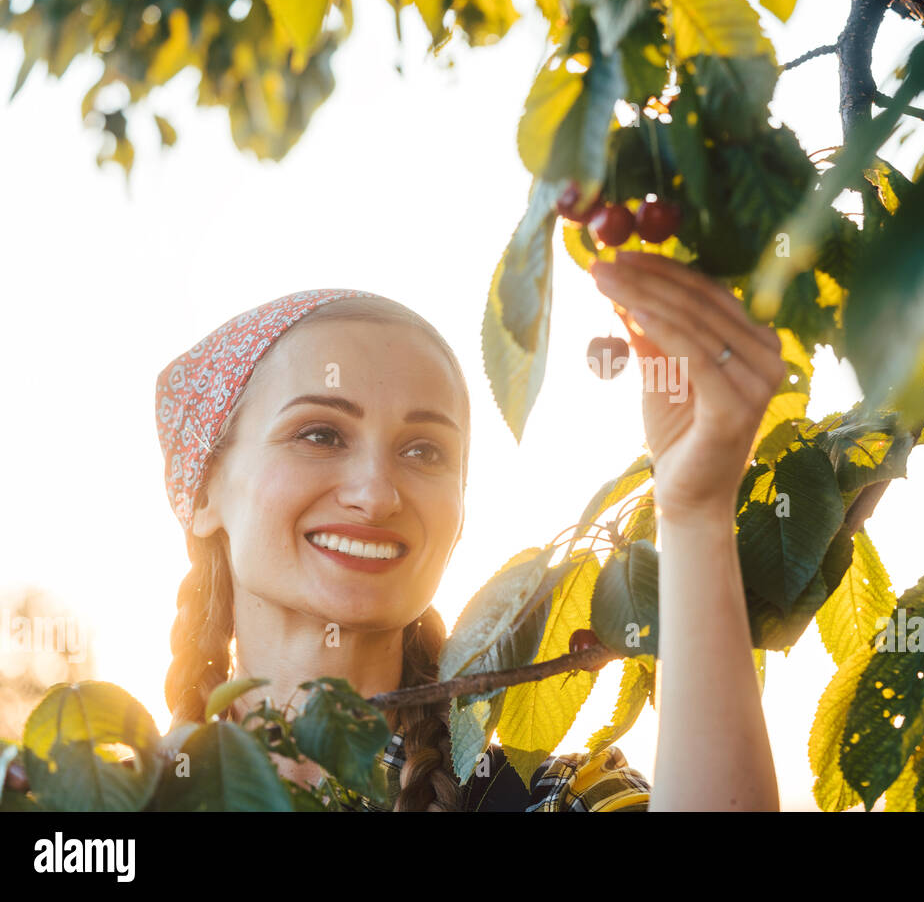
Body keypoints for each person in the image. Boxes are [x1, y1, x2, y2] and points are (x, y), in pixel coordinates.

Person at [155, 250, 786, 811]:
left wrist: (696, 510)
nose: (376, 495)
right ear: (204, 489)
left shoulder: (543, 797)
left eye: (424, 450)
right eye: (320, 434)